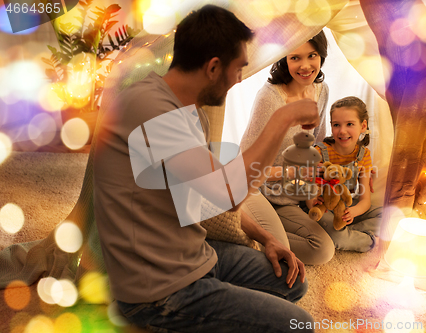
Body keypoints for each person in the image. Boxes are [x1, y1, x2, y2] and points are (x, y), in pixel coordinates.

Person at [93, 5, 320, 333]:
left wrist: (267, 238)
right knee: (299, 325)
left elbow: (208, 196)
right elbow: (227, 192)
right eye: (239, 68)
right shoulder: (151, 109)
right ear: (214, 67)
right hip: (157, 289)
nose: (239, 78)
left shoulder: (188, 111)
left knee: (292, 283)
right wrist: (283, 118)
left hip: (191, 252)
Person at [240, 31, 335, 265]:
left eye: (312, 55)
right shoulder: (270, 98)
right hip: (253, 190)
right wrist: (291, 173)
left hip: (288, 197)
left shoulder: (322, 91)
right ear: (284, 59)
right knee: (281, 251)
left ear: (321, 55)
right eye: (295, 58)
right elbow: (244, 169)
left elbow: (319, 144)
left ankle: (254, 236)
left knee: (324, 250)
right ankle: (253, 233)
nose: (305, 66)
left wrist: (322, 178)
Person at [305, 96, 381, 252]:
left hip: (346, 206)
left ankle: (348, 230)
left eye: (350, 124)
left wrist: (352, 212)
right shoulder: (320, 152)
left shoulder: (364, 155)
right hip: (323, 209)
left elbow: (365, 200)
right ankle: (368, 241)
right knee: (336, 237)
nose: (342, 131)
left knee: (389, 216)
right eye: (336, 125)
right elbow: (309, 193)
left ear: (363, 126)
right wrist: (313, 202)